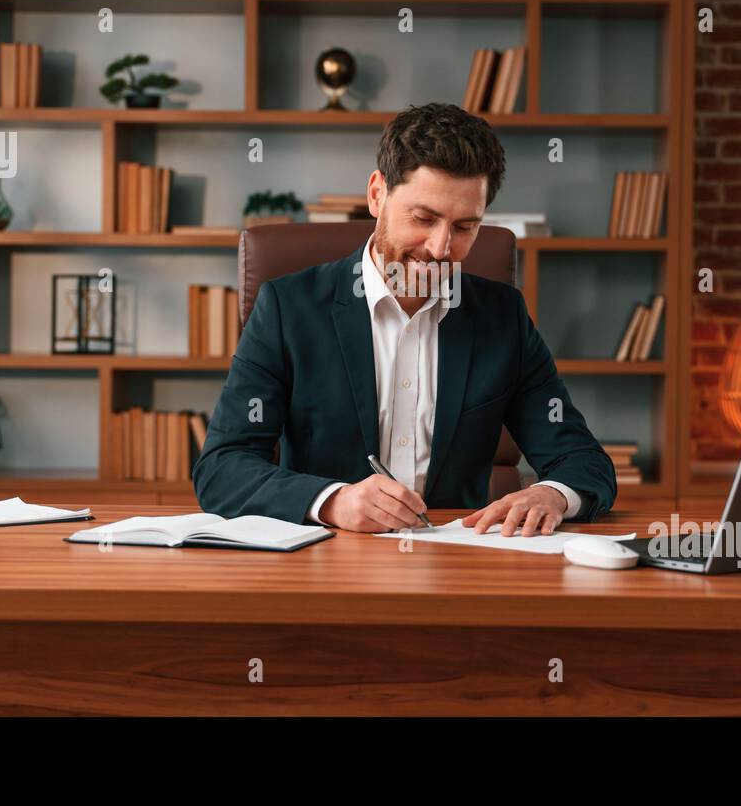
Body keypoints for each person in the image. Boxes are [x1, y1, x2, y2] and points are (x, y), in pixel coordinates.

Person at [193, 102, 616, 535]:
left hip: (459, 565)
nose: (439, 248)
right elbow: (223, 468)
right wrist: (333, 501)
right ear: (377, 194)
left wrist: (553, 493)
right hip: (325, 559)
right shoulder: (288, 308)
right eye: (423, 218)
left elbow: (582, 460)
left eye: (465, 226)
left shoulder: (502, 318)